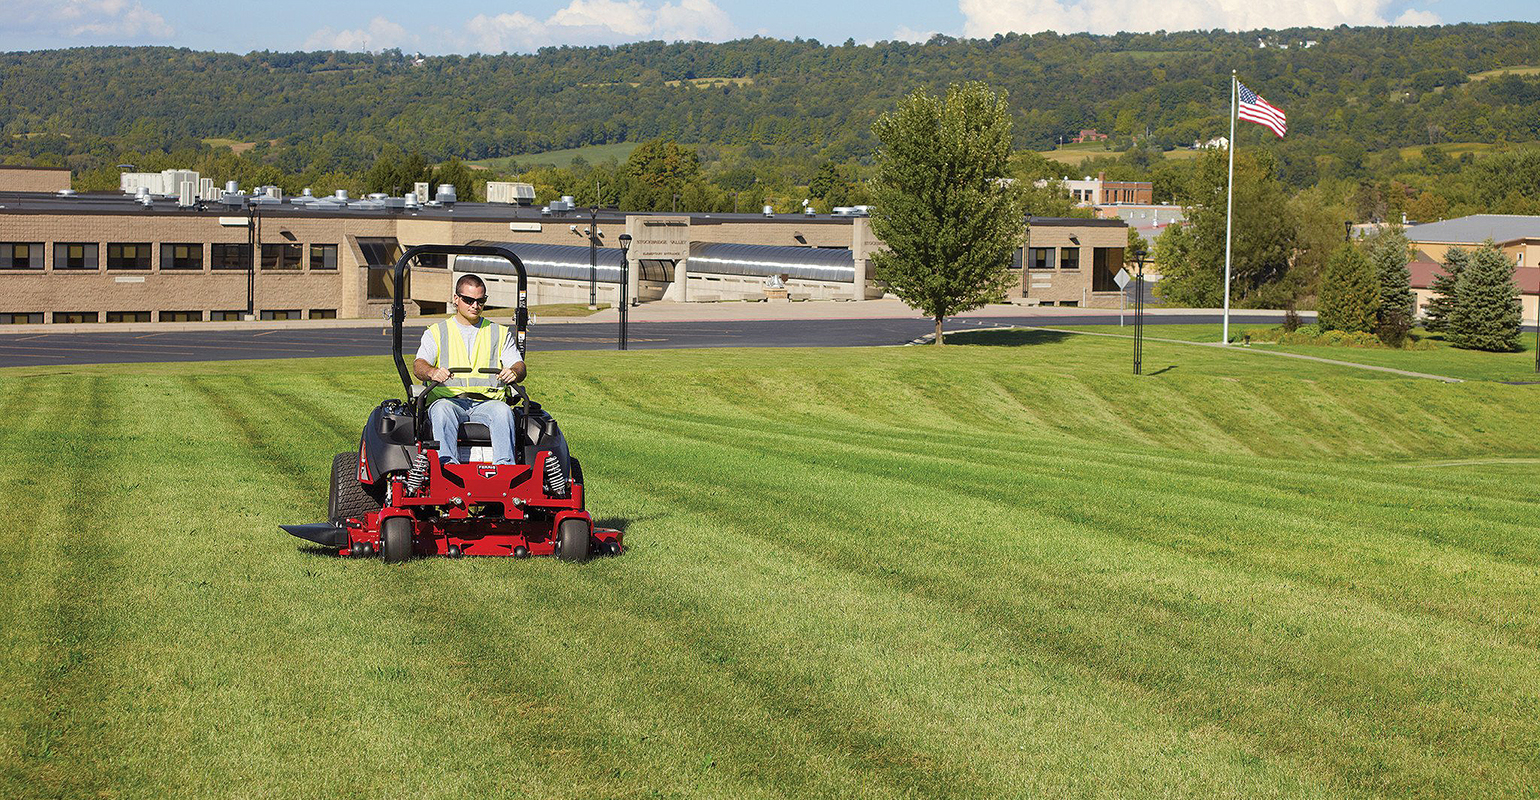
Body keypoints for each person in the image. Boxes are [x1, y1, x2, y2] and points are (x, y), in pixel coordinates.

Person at [412, 274, 526, 464]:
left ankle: (505, 470)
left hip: (488, 403)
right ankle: (447, 467)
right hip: (448, 401)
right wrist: (432, 372)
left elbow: (519, 365)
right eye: (469, 300)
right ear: (456, 299)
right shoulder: (437, 332)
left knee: (504, 412)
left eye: (481, 301)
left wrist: (514, 371)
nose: (475, 306)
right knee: (441, 411)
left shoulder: (498, 332)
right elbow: (419, 365)